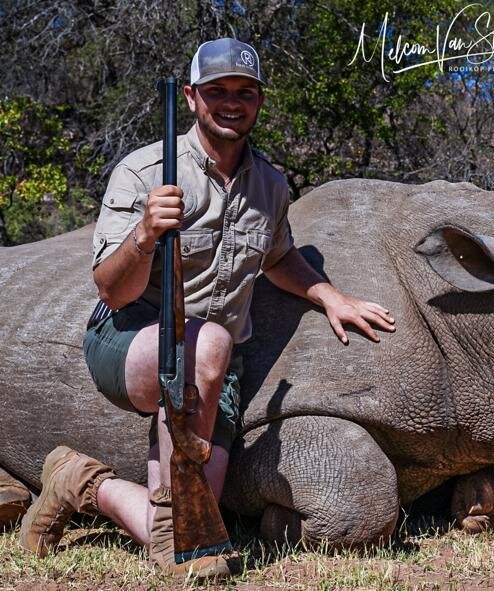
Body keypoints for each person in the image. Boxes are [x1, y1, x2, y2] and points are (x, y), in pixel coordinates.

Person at [18, 38, 395, 578]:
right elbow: (111, 290)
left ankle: (80, 482)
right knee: (213, 341)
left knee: (198, 518)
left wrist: (330, 295)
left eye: (244, 92)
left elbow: (279, 255)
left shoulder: (270, 184)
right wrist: (147, 234)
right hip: (129, 339)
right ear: (192, 98)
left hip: (213, 372)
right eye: (217, 91)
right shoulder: (145, 171)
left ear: (259, 102)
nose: (231, 102)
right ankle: (177, 532)